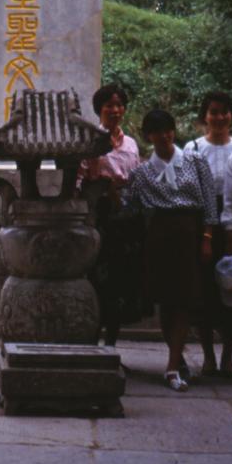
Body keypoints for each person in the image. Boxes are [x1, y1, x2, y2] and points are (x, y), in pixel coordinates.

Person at [122, 109, 218, 392]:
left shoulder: (195, 161)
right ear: (148, 136)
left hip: (188, 232)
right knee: (165, 299)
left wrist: (207, 237)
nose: (164, 136)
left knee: (185, 298)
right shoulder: (141, 172)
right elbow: (132, 207)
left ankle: (173, 366)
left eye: (168, 130)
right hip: (159, 236)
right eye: (157, 132)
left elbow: (210, 203)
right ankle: (176, 359)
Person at [184, 91, 232, 378]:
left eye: (224, 112)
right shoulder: (193, 149)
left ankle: (228, 356)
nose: (219, 117)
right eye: (213, 112)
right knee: (204, 291)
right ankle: (208, 356)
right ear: (204, 116)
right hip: (201, 226)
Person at [78, 84, 142, 345]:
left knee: (121, 280)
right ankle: (91, 341)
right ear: (99, 110)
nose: (115, 110)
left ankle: (112, 343)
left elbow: (136, 178)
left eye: (118, 105)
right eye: (109, 106)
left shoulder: (131, 144)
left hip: (126, 216)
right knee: (95, 279)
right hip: (99, 214)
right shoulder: (90, 141)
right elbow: (79, 178)